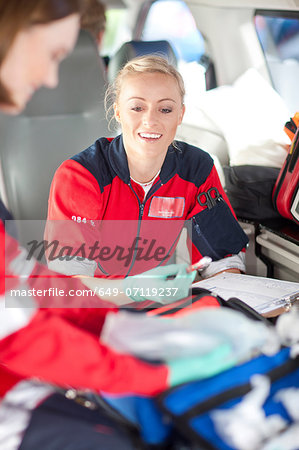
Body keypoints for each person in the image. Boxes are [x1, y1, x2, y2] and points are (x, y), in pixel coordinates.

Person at [0, 3, 202, 449]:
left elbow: (27, 283)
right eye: (54, 54)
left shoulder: (193, 168)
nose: (54, 81)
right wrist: (149, 371)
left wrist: (123, 326)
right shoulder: (82, 174)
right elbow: (17, 327)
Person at [46, 55, 249, 303]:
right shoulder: (81, 176)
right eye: (137, 107)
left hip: (164, 308)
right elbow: (68, 286)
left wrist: (223, 299)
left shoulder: (197, 170)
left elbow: (223, 259)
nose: (150, 120)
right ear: (118, 111)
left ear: (180, 115)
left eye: (165, 109)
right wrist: (133, 290)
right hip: (98, 309)